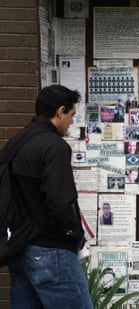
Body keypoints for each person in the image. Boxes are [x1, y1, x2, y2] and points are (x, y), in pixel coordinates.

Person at [6, 85, 93, 308]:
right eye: (72, 115)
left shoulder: (16, 144)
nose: (72, 122)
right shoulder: (54, 147)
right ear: (60, 111)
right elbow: (60, 202)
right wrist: (75, 236)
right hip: (50, 250)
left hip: (20, 250)